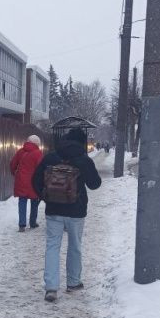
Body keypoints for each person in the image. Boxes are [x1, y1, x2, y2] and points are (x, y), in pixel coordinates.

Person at [32, 128, 102, 302]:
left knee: (52, 246)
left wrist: (46, 197)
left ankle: (51, 288)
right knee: (75, 246)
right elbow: (95, 184)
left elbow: (35, 180)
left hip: (54, 210)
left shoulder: (51, 157)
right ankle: (73, 282)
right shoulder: (83, 160)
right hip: (76, 211)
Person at [10, 135, 44, 231]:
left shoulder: (21, 151)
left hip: (21, 180)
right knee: (34, 201)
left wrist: (14, 173)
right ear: (37, 143)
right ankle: (32, 222)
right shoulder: (38, 153)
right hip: (34, 181)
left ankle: (22, 225)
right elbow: (41, 168)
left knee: (22, 201)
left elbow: (13, 164)